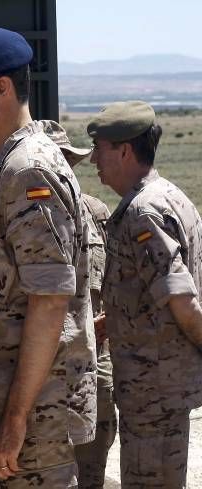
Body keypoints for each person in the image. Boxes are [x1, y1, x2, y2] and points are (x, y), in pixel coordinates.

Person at [0, 27, 96, 488]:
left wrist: (15, 420)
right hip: (17, 421)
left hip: (34, 428)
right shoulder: (10, 168)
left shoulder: (30, 172)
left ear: (1, 88)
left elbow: (50, 303)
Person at [87, 100, 202, 488]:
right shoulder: (170, 195)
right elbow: (156, 293)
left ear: (124, 150)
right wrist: (114, 320)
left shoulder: (143, 213)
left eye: (99, 148)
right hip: (160, 388)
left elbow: (183, 302)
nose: (93, 160)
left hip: (153, 392)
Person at [39, 120, 116, 489]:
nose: (63, 168)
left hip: (95, 373)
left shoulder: (97, 214)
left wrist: (108, 322)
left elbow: (120, 285)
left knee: (90, 477)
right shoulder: (18, 214)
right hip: (41, 379)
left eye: (67, 160)